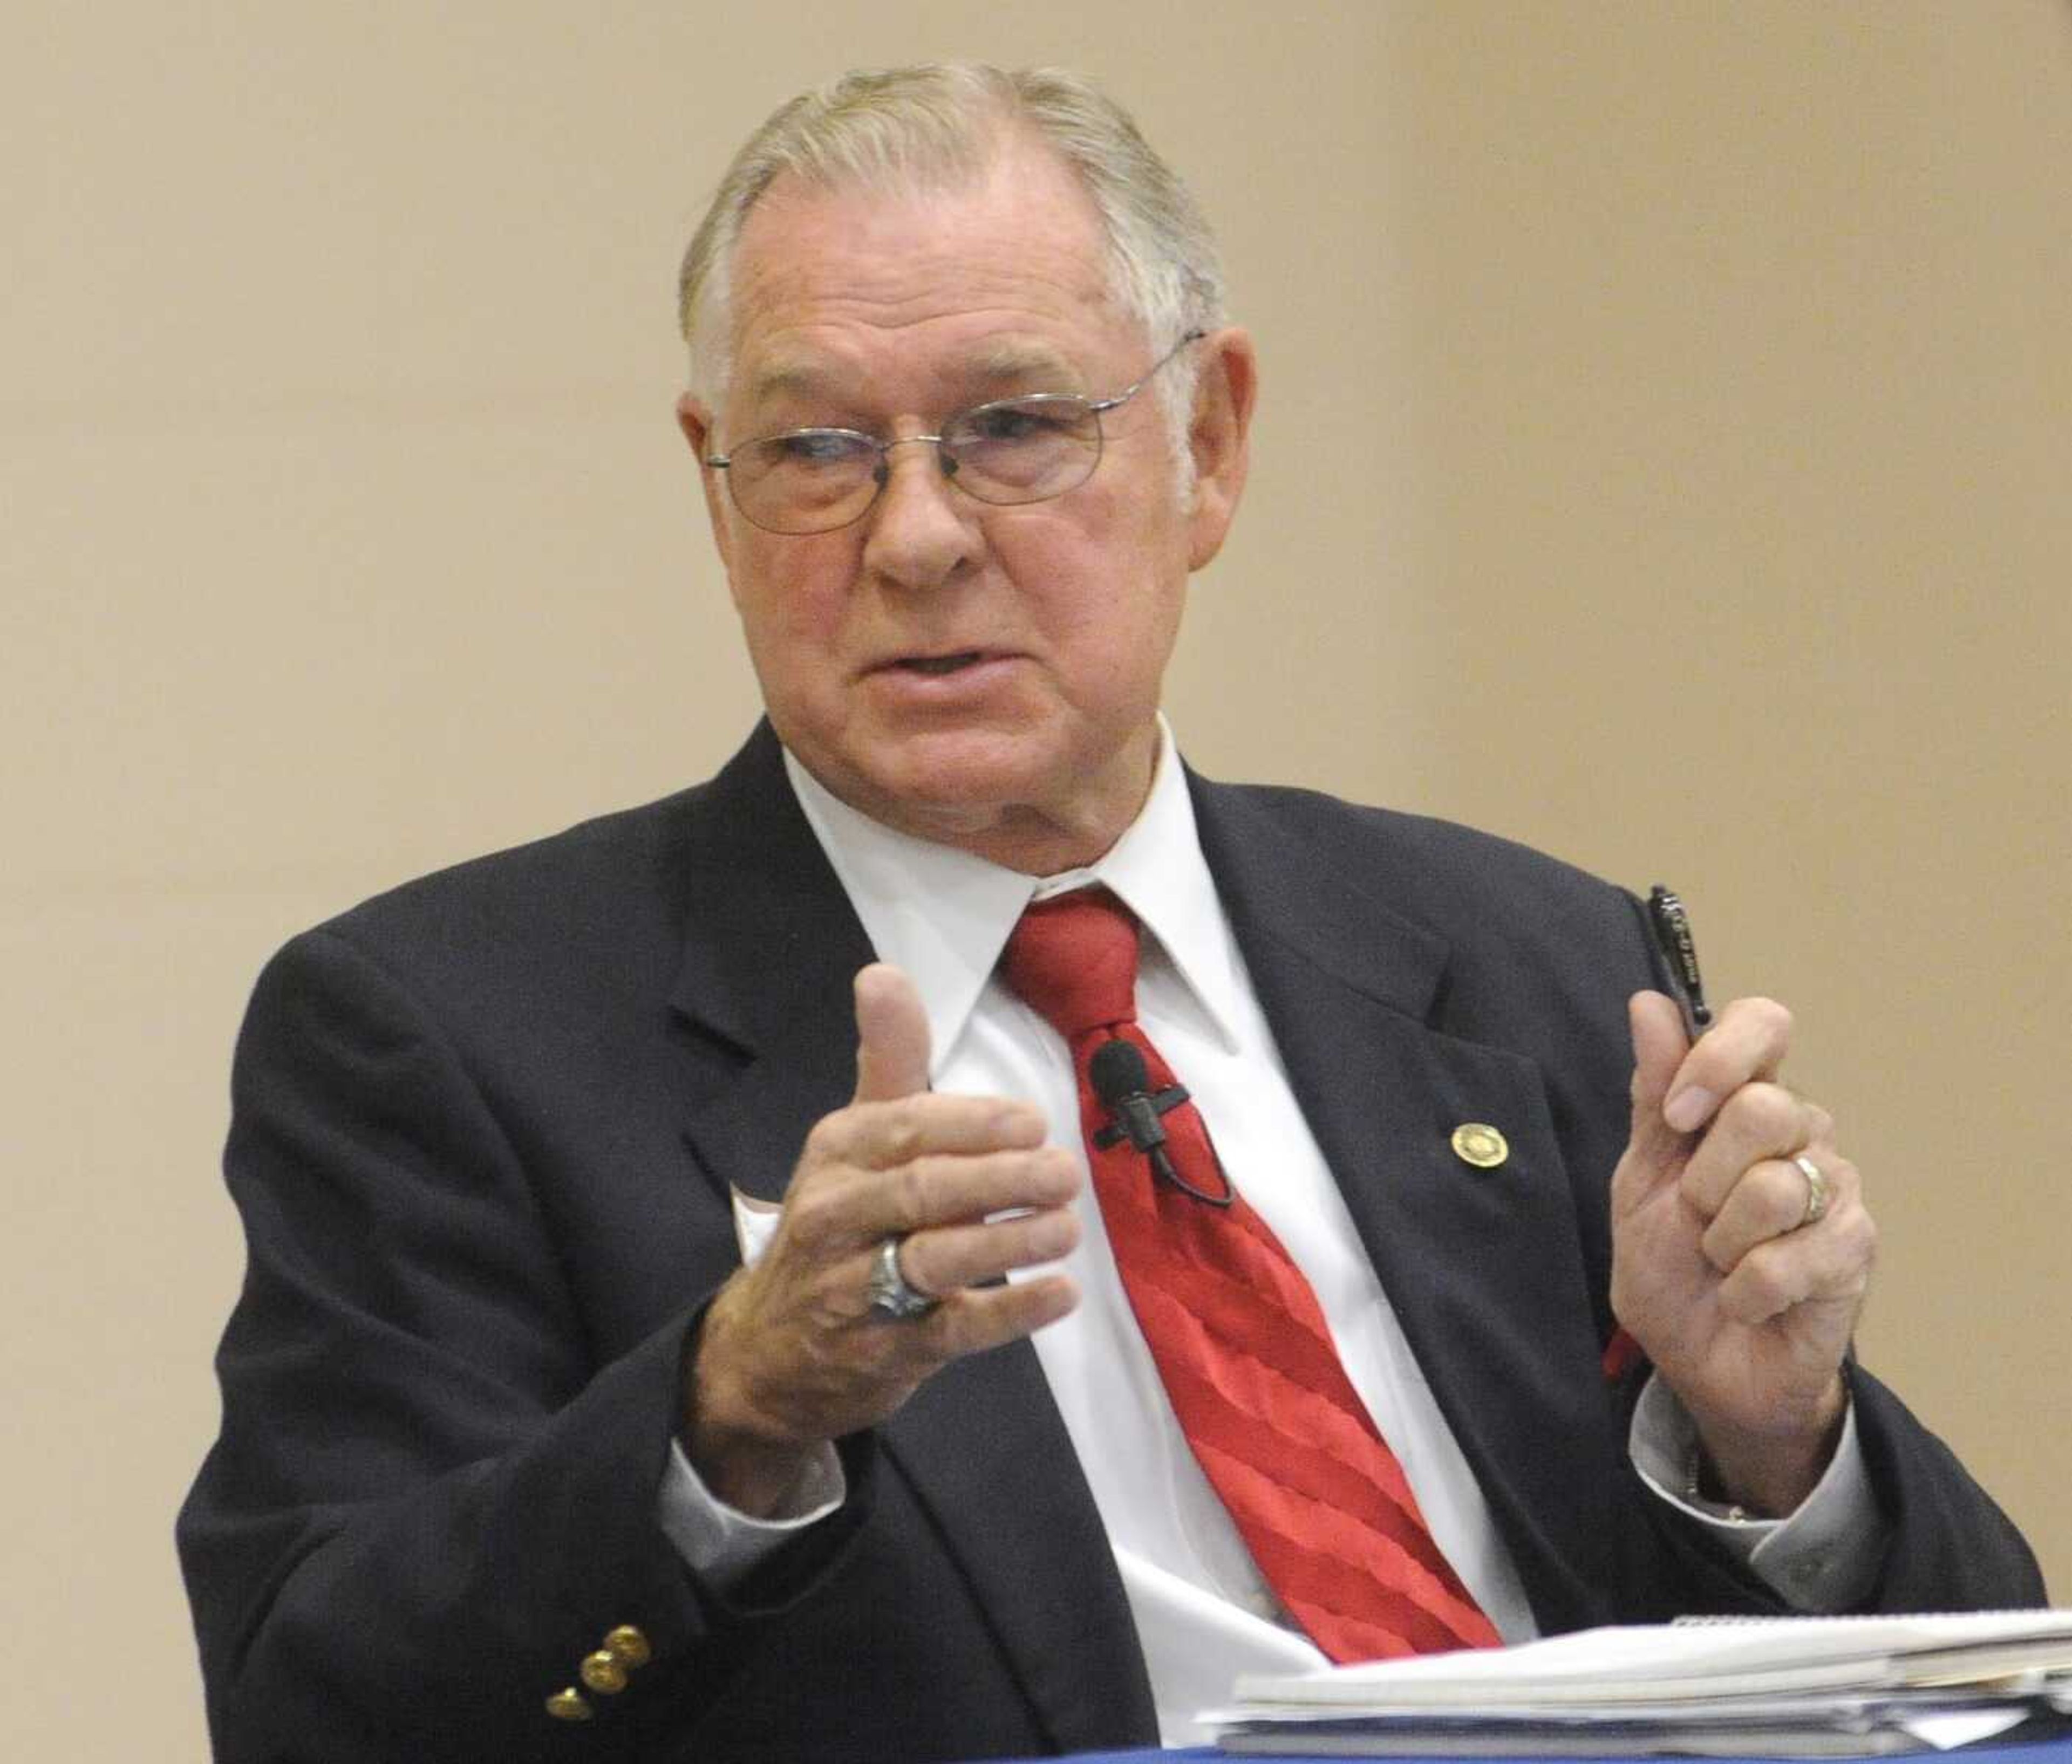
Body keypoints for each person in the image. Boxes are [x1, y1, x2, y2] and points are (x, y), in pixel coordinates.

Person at [179, 61, 2043, 1763]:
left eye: (1010, 427)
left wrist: (1777, 1447)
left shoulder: (1532, 963)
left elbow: (1978, 1683)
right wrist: (728, 1414)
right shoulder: (451, 1032)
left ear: (1210, 446)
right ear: (715, 485)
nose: (910, 537)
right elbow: (312, 1711)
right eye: (820, 450)